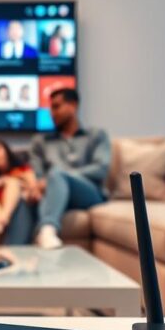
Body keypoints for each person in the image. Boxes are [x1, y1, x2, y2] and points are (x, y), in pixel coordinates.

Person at [29, 88, 111, 249]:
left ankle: (47, 229)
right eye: (51, 108)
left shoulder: (96, 135)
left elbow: (101, 168)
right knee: (28, 198)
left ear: (73, 105)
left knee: (56, 174)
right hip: (52, 193)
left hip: (88, 192)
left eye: (57, 106)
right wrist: (39, 185)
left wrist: (63, 175)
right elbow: (38, 176)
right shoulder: (40, 141)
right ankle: (15, 252)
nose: (52, 113)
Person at [0, 139, 38, 239]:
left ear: (6, 151)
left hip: (20, 204)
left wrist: (6, 180)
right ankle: (0, 222)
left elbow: (33, 186)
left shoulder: (22, 169)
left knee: (12, 182)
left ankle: (1, 221)